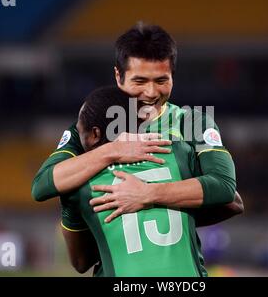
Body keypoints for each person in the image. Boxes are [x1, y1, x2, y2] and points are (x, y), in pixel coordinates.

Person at [31, 22, 242, 273]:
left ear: (173, 75)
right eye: (139, 80)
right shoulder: (91, 126)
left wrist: (149, 196)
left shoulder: (191, 122)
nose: (151, 92)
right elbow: (42, 185)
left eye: (161, 80)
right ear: (118, 76)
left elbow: (228, 192)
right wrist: (112, 150)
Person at [59, 86, 242, 276]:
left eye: (80, 134)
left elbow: (81, 262)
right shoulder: (177, 152)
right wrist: (175, 211)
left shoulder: (78, 182)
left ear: (95, 134)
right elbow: (233, 203)